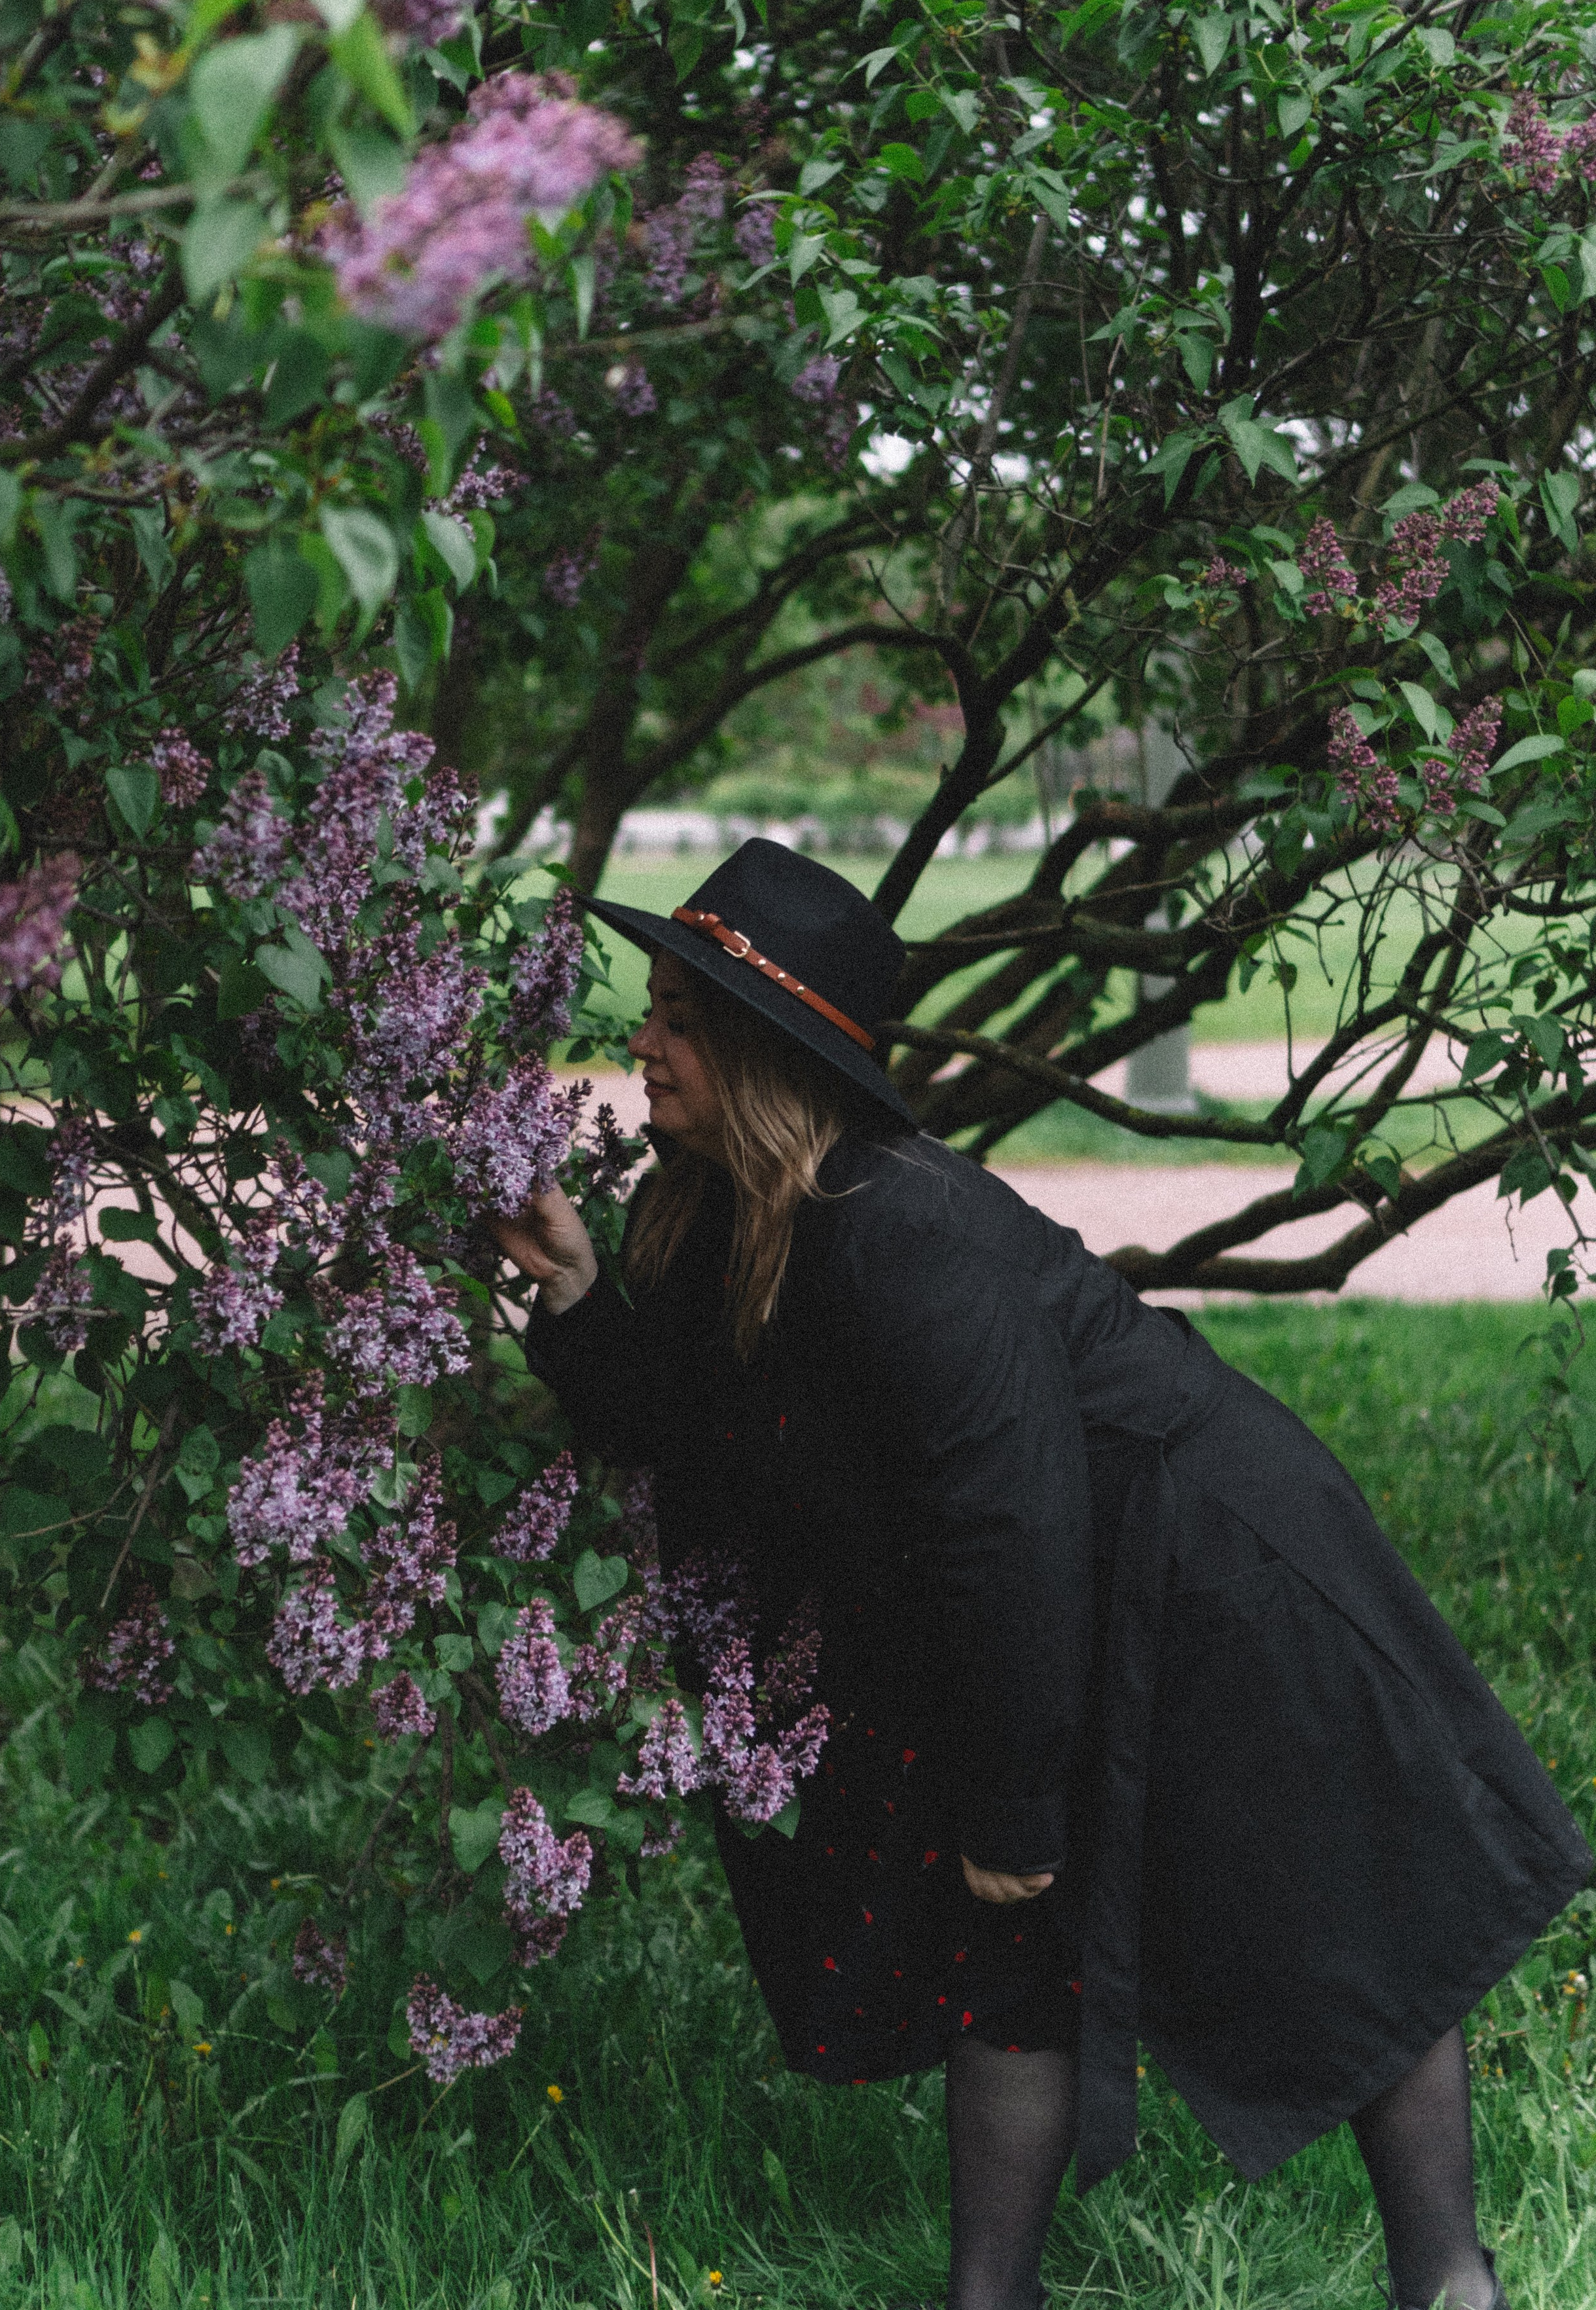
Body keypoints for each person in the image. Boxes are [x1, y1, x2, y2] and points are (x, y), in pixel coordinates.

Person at [494, 839, 1589, 2310]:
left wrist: (1012, 1805)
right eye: (652, 1011)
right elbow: (699, 1433)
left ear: (759, 1053)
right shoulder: (716, 1208)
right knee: (1007, 1941)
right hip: (1063, 1579)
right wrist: (575, 1292)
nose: (642, 1045)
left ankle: (1449, 2283)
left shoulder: (900, 1233)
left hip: (1210, 1567)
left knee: (1328, 1907)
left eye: (680, 1021)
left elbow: (1004, 1525)